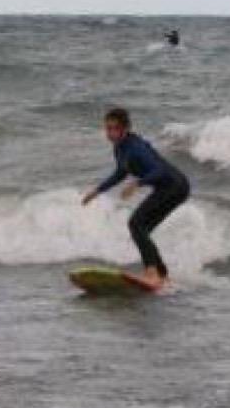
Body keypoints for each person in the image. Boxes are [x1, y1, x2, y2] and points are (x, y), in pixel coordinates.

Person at [81, 108, 191, 288]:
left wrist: (137, 184)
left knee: (136, 224)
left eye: (114, 129)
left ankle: (152, 273)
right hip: (169, 187)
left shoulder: (136, 147)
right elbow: (121, 172)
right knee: (140, 228)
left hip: (175, 186)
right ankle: (161, 276)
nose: (110, 133)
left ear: (125, 129)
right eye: (107, 129)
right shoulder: (120, 148)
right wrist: (98, 190)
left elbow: (159, 170)